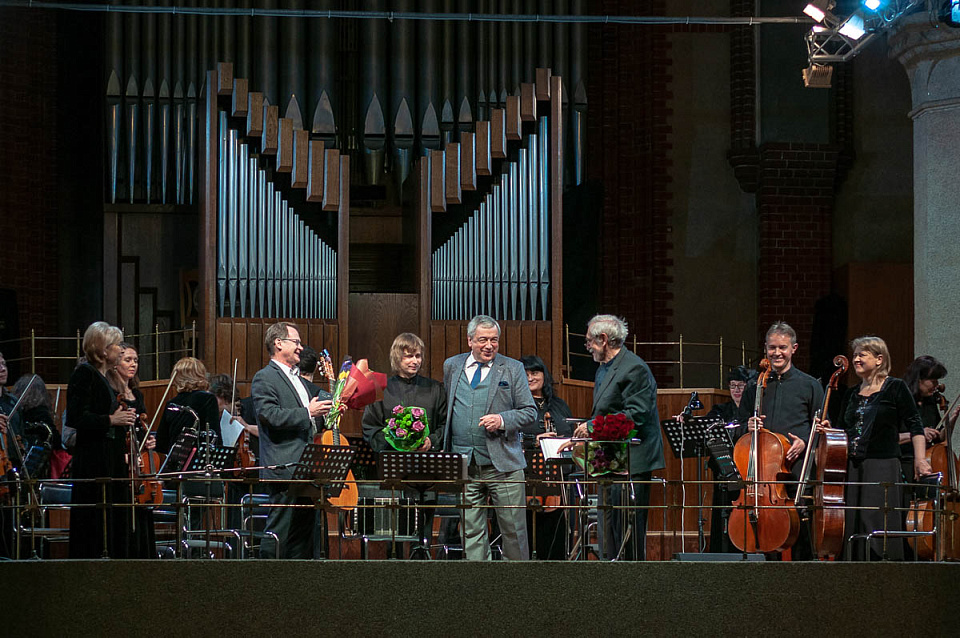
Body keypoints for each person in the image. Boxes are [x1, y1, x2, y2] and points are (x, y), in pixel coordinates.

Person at [826, 336, 931, 560]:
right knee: (855, 522)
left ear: (879, 359)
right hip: (853, 468)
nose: (856, 359)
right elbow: (843, 429)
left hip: (882, 465)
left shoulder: (895, 387)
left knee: (877, 520)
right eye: (855, 355)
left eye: (862, 354)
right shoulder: (851, 393)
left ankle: (885, 573)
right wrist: (829, 430)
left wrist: (920, 460)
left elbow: (915, 425)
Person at [442, 314, 536, 561]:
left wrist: (502, 420)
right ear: (469, 340)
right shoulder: (452, 366)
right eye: (483, 340)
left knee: (514, 531)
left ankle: (515, 590)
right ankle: (479, 588)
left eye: (494, 340)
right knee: (471, 531)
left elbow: (530, 412)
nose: (489, 345)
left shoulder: (513, 368)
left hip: (503, 465)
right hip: (465, 464)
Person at [573, 314, 664, 561]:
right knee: (607, 531)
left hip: (631, 461)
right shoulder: (604, 368)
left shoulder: (634, 368)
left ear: (603, 339)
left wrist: (592, 427)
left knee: (627, 533)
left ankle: (631, 586)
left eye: (589, 341)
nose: (588, 346)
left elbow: (635, 416)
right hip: (608, 459)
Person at [734, 321, 824, 560]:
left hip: (796, 467)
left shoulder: (810, 385)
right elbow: (738, 425)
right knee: (765, 531)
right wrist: (747, 426)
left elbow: (822, 428)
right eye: (772, 347)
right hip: (764, 473)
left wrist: (804, 441)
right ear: (765, 348)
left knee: (799, 529)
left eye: (782, 347)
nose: (777, 353)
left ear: (794, 348)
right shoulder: (755, 385)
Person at [251, 321, 333, 559]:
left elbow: (311, 421)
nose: (300, 347)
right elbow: (270, 416)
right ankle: (266, 584)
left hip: (307, 470)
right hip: (284, 469)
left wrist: (330, 413)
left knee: (303, 540)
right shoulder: (264, 378)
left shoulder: (299, 380)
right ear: (278, 343)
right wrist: (308, 411)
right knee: (279, 535)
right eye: (296, 342)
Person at [66, 322, 148, 558]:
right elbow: (76, 417)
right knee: (95, 518)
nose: (121, 351)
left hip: (108, 456)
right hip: (94, 458)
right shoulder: (85, 374)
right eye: (116, 346)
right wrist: (111, 420)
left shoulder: (103, 377)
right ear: (103, 350)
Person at [361, 333, 447, 557]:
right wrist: (395, 445)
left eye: (418, 356)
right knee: (394, 522)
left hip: (426, 467)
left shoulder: (435, 389)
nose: (414, 361)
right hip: (393, 466)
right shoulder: (381, 388)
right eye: (409, 356)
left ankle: (423, 557)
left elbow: (445, 424)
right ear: (397, 358)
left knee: (424, 520)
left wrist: (431, 441)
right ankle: (394, 562)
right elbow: (371, 428)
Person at [155, 357, 222, 531]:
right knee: (196, 518)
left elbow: (161, 444)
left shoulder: (171, 404)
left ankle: (181, 545)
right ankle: (193, 550)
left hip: (174, 471)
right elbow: (213, 436)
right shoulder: (207, 399)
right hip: (197, 470)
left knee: (183, 515)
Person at [104, 342, 156, 557]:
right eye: (127, 359)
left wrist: (148, 440)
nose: (133, 364)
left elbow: (141, 426)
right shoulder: (111, 394)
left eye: (135, 360)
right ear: (115, 364)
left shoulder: (137, 394)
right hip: (122, 463)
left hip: (140, 463)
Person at [519, 355, 572, 560]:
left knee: (556, 531)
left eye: (535, 372)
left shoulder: (558, 405)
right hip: (528, 476)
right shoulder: (517, 405)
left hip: (558, 478)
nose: (531, 378)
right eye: (525, 374)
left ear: (544, 375)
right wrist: (535, 440)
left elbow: (570, 431)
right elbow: (510, 436)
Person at [705, 365, 754, 553]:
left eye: (740, 386)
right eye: (732, 386)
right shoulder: (721, 410)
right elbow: (707, 431)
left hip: (746, 469)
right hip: (724, 469)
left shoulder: (752, 413)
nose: (736, 390)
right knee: (722, 510)